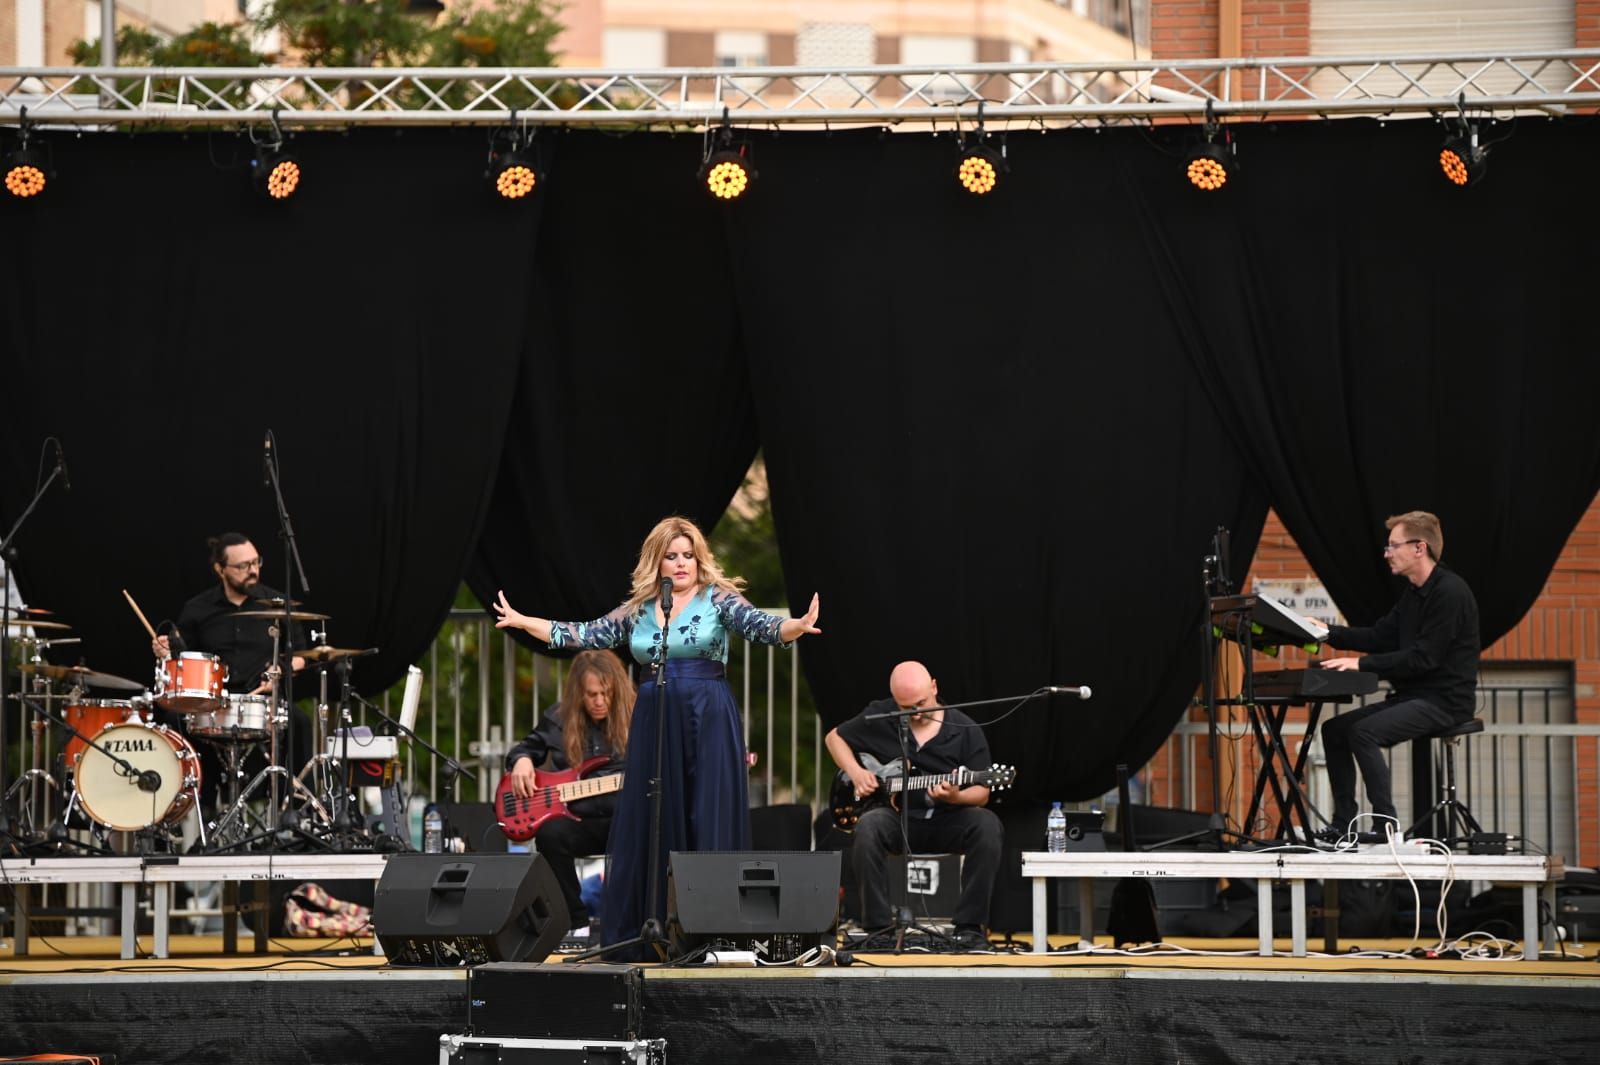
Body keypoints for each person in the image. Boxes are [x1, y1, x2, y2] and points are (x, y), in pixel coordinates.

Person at [492, 515, 821, 953]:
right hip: (655, 714)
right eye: (672, 556)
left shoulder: (718, 599)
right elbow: (585, 633)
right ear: (657, 562)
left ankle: (711, 928)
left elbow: (759, 625)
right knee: (657, 812)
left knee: (705, 810)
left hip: (707, 712)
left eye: (688, 555)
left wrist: (795, 627)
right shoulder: (641, 609)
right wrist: (525, 621)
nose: (682, 563)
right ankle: (655, 928)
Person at [1318, 510, 1480, 842]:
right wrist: (1325, 633)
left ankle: (1384, 825)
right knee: (1334, 730)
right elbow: (1379, 636)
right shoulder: (1414, 594)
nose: (1387, 553)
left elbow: (1424, 659)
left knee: (1362, 733)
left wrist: (1361, 665)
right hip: (1415, 696)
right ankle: (1343, 824)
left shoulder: (1450, 593)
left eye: (1393, 546)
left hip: (1445, 701)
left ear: (1419, 548)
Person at [824, 660, 1002, 951]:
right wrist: (857, 773)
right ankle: (878, 929)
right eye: (906, 708)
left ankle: (970, 928)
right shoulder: (881, 715)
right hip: (897, 819)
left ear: (934, 686)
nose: (916, 713)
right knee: (868, 826)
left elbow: (982, 793)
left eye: (922, 703)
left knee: (986, 824)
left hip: (947, 819)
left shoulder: (966, 729)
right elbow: (834, 738)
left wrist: (956, 797)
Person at [151, 533, 311, 817]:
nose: (253, 570)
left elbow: (302, 656)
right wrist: (165, 652)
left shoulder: (277, 604)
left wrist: (281, 669)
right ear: (220, 569)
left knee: (298, 720)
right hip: (212, 702)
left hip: (262, 701)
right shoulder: (197, 609)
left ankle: (295, 812)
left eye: (256, 562)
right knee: (173, 720)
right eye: (242, 566)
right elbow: (182, 658)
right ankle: (191, 810)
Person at [504, 649, 635, 933]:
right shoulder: (558, 719)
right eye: (592, 695)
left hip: (623, 821)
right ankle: (575, 922)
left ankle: (634, 920)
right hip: (579, 822)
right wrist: (523, 761)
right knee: (550, 834)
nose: (600, 701)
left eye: (606, 693)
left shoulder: (639, 716)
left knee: (653, 827)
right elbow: (524, 748)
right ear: (579, 693)